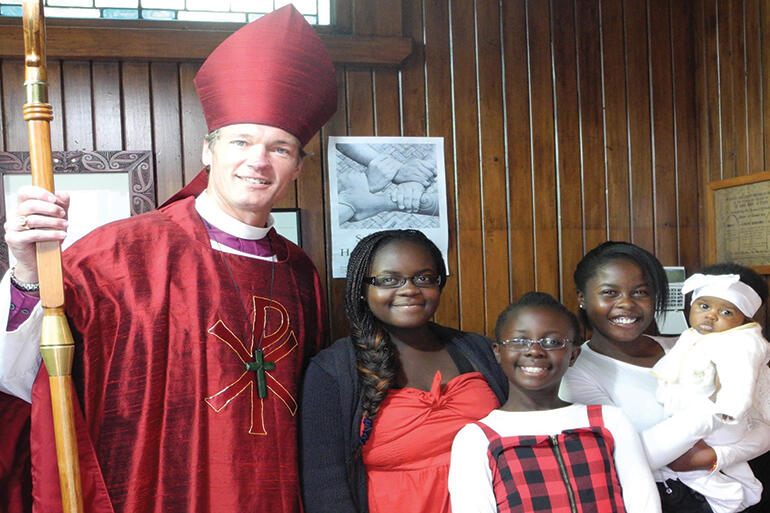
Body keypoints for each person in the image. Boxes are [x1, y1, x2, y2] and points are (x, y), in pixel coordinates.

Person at [0, 5, 336, 512]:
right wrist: (28, 273)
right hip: (153, 493)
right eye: (241, 141)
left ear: (298, 168)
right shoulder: (118, 256)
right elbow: (25, 378)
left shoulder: (299, 272)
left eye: (280, 148)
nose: (258, 161)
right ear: (208, 150)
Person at [299, 229, 507, 513]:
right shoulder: (332, 372)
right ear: (362, 289)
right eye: (388, 280)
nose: (409, 289)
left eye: (423, 278)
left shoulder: (479, 350)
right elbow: (326, 486)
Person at [560, 241, 770, 513]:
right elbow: (632, 458)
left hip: (745, 491)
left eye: (640, 292)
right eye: (610, 292)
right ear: (582, 297)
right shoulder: (577, 375)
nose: (626, 304)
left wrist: (715, 456)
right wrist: (714, 407)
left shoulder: (690, 346)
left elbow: (762, 422)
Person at [449, 291, 660, 513]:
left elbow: (644, 503)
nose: (535, 351)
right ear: (498, 352)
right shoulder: (476, 438)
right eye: (520, 341)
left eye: (552, 342)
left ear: (573, 355)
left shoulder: (609, 421)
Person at [651, 264, 770, 513]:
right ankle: (748, 489)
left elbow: (741, 378)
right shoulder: (694, 336)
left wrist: (728, 409)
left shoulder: (741, 342)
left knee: (683, 464)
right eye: (704, 306)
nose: (711, 315)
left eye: (726, 312)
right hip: (709, 421)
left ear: (743, 319)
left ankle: (727, 497)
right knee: (731, 466)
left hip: (722, 418)